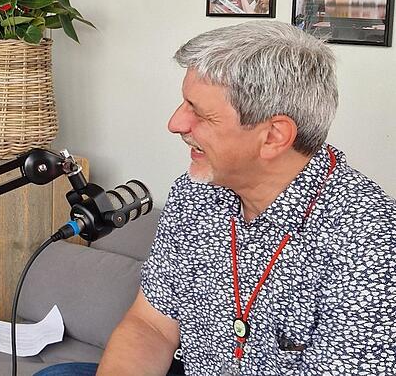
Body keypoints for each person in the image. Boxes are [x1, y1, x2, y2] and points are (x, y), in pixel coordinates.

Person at [38, 21, 396, 375]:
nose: (176, 123)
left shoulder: (369, 240)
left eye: (200, 113)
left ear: (273, 136)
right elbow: (151, 326)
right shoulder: (194, 193)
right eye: (184, 103)